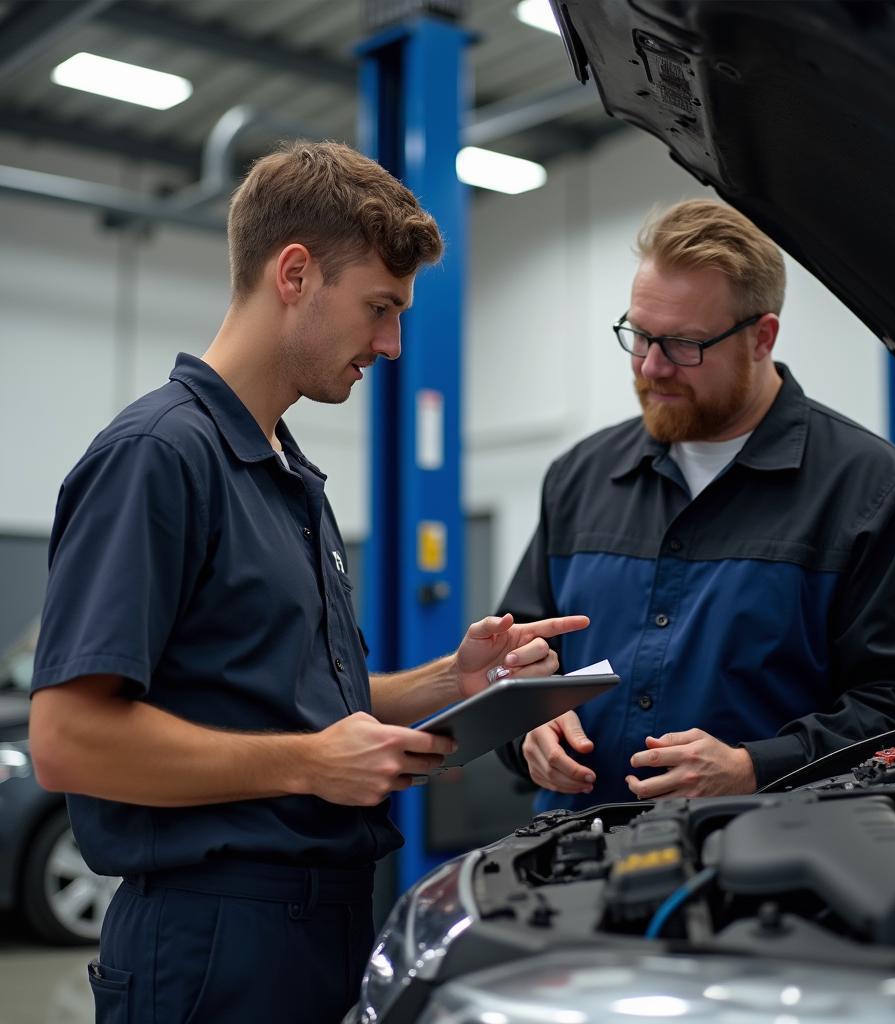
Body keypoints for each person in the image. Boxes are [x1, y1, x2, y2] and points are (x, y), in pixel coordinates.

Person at [28, 141, 587, 1024]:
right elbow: (68, 740)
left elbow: (297, 709)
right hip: (210, 943)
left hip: (314, 927)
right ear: (294, 273)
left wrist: (456, 681)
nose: (393, 344)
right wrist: (309, 766)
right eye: (379, 307)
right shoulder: (159, 457)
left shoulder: (284, 470)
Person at [497, 197, 895, 811]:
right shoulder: (580, 479)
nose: (651, 366)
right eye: (639, 335)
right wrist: (527, 729)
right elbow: (512, 665)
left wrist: (758, 768)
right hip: (576, 865)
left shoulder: (872, 491)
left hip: (774, 872)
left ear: (761, 337)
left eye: (684, 345)